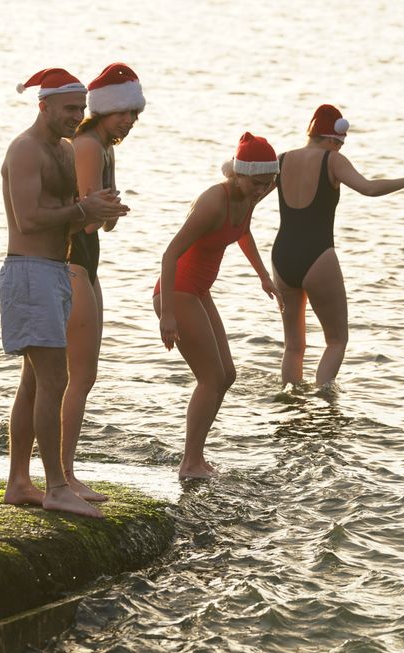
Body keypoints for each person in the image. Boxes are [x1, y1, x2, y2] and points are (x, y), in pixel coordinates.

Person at [0, 68, 128, 517]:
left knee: (35, 381)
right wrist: (82, 208)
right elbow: (28, 219)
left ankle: (19, 482)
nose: (77, 116)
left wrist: (98, 213)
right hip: (28, 270)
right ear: (44, 106)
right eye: (70, 108)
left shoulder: (65, 150)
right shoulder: (25, 149)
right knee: (55, 379)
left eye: (81, 108)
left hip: (55, 271)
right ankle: (56, 485)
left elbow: (68, 218)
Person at [270, 104, 404, 387]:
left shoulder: (281, 159)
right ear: (333, 139)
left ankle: (289, 401)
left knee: (293, 346)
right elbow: (368, 188)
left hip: (282, 257)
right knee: (336, 341)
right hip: (317, 255)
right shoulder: (332, 160)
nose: (340, 149)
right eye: (340, 144)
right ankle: (325, 399)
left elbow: (252, 195)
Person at [154, 133, 283, 479]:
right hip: (177, 291)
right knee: (210, 378)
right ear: (238, 174)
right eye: (257, 183)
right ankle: (190, 463)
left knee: (226, 375)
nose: (262, 191)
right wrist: (167, 314)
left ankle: (197, 457)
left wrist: (263, 276)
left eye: (268, 184)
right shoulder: (214, 201)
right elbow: (170, 254)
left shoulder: (250, 195)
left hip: (199, 291)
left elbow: (243, 233)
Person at [66, 63, 146, 502]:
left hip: (89, 262)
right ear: (102, 111)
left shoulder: (105, 148)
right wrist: (104, 211)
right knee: (76, 376)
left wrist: (110, 212)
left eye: (134, 114)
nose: (129, 121)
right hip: (71, 261)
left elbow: (101, 219)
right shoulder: (87, 146)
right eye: (122, 113)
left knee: (84, 375)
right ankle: (64, 474)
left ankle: (64, 471)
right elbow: (84, 217)